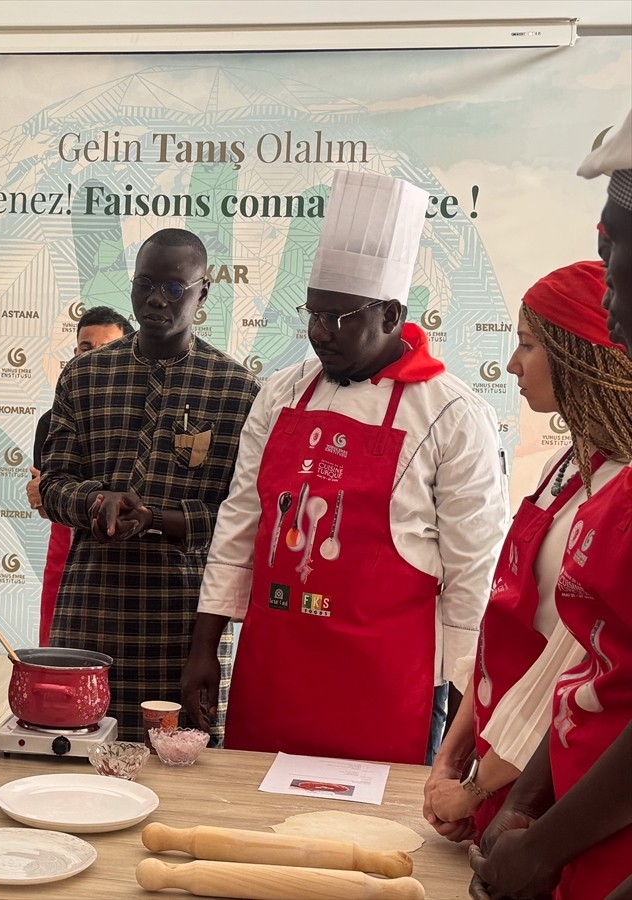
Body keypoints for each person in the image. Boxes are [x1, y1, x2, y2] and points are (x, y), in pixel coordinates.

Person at [183, 170, 509, 766]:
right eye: (313, 314)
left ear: (391, 314)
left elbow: (473, 569)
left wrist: (466, 713)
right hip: (275, 665)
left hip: (383, 679)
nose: (319, 334)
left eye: (340, 318)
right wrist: (206, 643)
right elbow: (242, 515)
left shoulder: (453, 414)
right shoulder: (283, 392)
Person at [468, 108, 632, 900]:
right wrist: (520, 804)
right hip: (556, 800)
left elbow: (575, 662)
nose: (608, 275)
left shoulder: (621, 484)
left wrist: (528, 829)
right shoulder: (572, 471)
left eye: (615, 246)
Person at [423, 261, 632, 843]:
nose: (512, 364)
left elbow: (567, 672)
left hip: (551, 787)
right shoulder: (565, 468)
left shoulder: (620, 494)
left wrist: (476, 787)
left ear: (580, 356)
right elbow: (501, 629)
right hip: (500, 765)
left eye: (528, 345)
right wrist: (453, 754)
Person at [38, 228, 260, 743]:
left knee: (183, 761)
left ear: (203, 293)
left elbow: (243, 516)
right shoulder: (84, 376)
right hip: (90, 606)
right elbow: (53, 485)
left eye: (175, 288)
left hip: (184, 620)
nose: (157, 299)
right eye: (145, 284)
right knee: (75, 751)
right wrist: (98, 501)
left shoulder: (238, 389)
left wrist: (159, 520)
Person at [26, 306, 133, 646]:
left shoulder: (142, 417)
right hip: (66, 551)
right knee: (59, 657)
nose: (94, 358)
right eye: (86, 348)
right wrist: (43, 495)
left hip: (129, 555)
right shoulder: (52, 420)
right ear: (74, 353)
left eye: (107, 348)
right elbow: (45, 503)